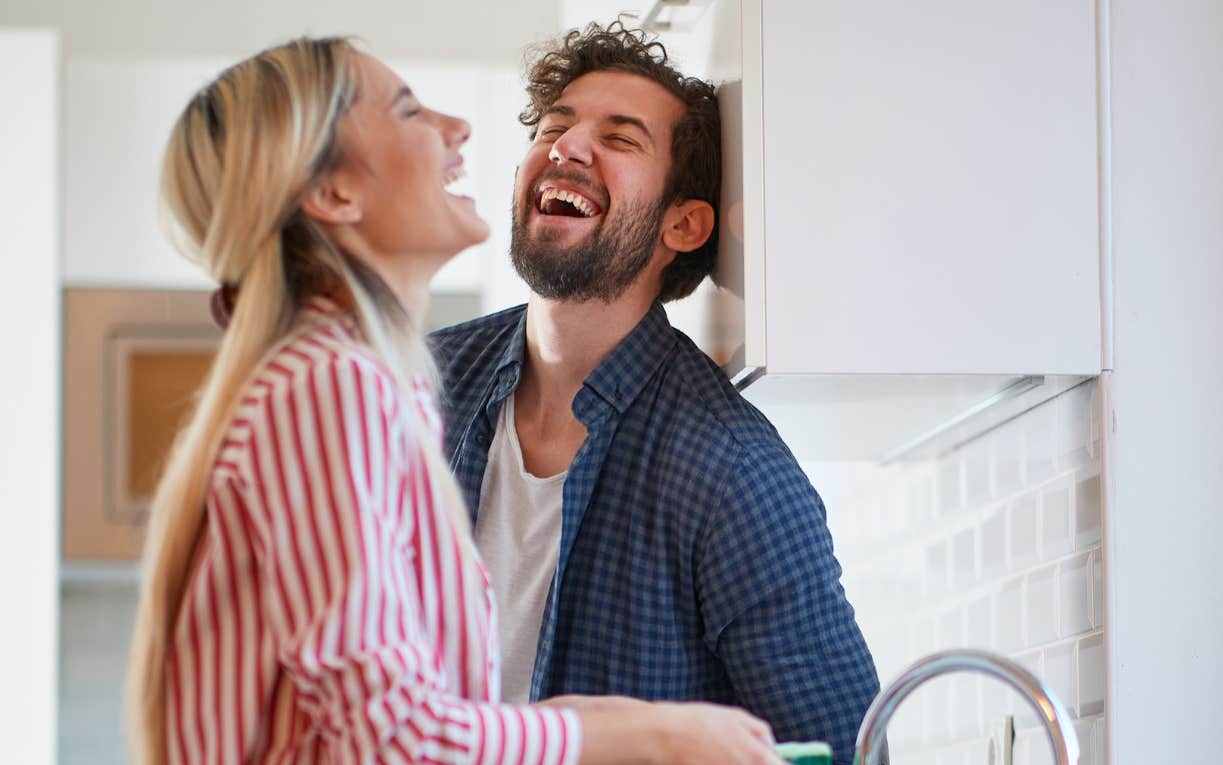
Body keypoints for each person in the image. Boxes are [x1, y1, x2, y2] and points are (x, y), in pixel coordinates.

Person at [125, 36, 788, 765]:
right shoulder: (331, 388)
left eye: (618, 136)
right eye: (408, 108)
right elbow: (397, 738)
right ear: (335, 194)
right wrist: (656, 733)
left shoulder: (375, 387)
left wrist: (598, 719)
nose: (460, 128)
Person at [428, 21, 882, 763]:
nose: (567, 146)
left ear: (684, 222)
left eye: (620, 137)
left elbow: (848, 750)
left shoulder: (733, 473)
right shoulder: (420, 393)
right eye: (556, 125)